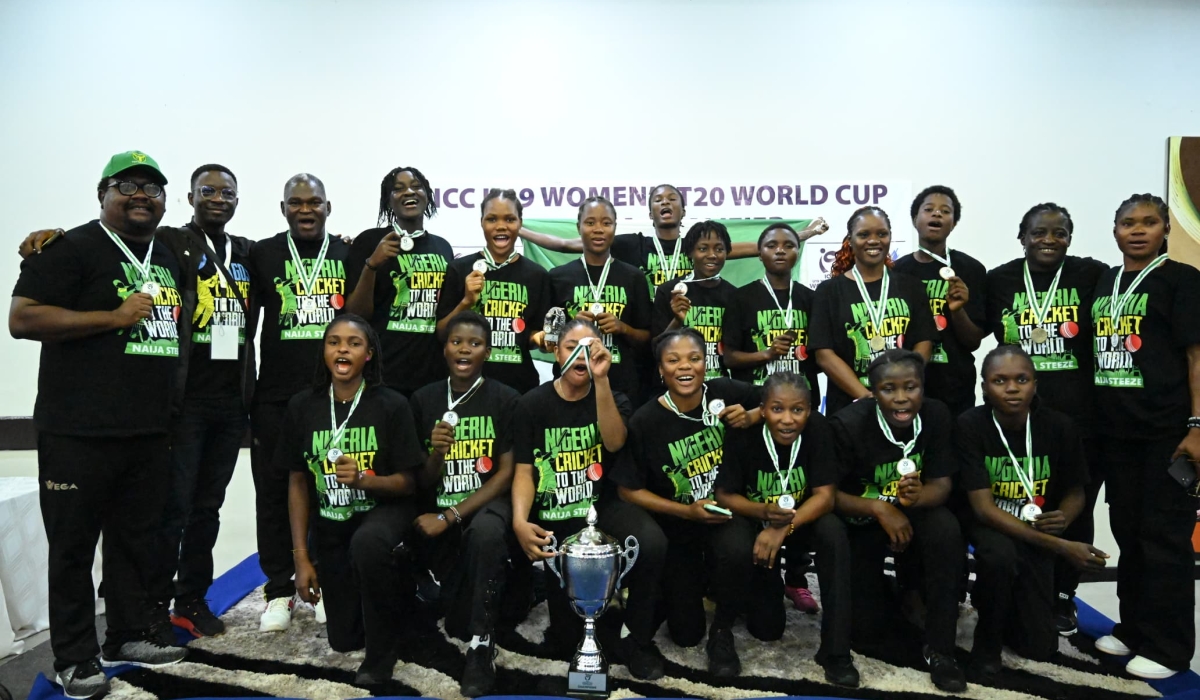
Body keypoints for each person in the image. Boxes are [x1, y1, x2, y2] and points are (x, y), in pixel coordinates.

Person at [9, 151, 189, 698]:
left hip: (147, 430)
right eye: (127, 185)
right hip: (78, 433)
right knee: (73, 549)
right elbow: (23, 318)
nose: (142, 195)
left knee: (135, 543)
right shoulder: (69, 248)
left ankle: (127, 635)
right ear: (101, 193)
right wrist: (111, 318)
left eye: (153, 188)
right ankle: (76, 657)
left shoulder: (169, 254)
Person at [511, 319, 668, 681]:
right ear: (555, 351)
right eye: (571, 347)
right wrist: (520, 520)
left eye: (590, 347)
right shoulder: (531, 404)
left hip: (603, 508)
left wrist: (601, 381)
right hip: (556, 512)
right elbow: (524, 471)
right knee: (567, 640)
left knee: (652, 542)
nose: (581, 354)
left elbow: (613, 442)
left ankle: (636, 637)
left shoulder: (615, 396)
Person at [983, 203, 1107, 635]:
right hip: (1014, 415)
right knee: (1016, 494)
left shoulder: (1093, 275)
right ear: (1022, 237)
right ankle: (1013, 582)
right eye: (1039, 233)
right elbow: (972, 331)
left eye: (1059, 232)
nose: (1049, 240)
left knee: (1076, 500)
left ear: (1071, 237)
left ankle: (1062, 595)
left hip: (1078, 416)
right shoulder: (999, 279)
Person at [1090, 194, 1200, 679]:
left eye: (1149, 222)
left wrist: (1197, 427)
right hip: (1117, 434)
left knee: (1165, 539)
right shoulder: (1105, 282)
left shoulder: (1182, 280)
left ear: (1165, 230)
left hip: (1166, 433)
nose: (1138, 230)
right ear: (1114, 230)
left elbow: (1197, 357)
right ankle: (1134, 628)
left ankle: (1170, 648)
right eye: (1128, 223)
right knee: (1128, 534)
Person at [281, 314, 425, 685]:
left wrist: (365, 481)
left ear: (369, 355)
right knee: (343, 640)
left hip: (383, 516)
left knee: (368, 543)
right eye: (334, 342)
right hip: (331, 526)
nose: (342, 348)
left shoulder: (392, 404)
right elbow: (298, 481)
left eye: (354, 343)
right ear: (325, 352)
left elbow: (409, 483)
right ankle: (401, 605)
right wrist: (302, 557)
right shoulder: (302, 405)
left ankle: (381, 657)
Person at [956, 345, 1108, 682]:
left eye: (1021, 379)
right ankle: (986, 644)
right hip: (990, 524)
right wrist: (1062, 546)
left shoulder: (1059, 426)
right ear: (984, 387)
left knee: (1039, 647)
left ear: (1035, 384)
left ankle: (998, 601)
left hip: (1036, 525)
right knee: (999, 556)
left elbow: (1075, 490)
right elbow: (982, 508)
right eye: (1000, 380)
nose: (1012, 388)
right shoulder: (970, 425)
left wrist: (1066, 517)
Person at [611, 328, 758, 674]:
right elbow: (627, 490)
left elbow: (788, 397)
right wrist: (686, 511)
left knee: (765, 618)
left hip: (728, 514)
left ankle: (722, 630)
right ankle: (678, 589)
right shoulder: (645, 420)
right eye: (673, 360)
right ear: (660, 370)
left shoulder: (725, 391)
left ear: (706, 363)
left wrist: (755, 415)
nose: (685, 367)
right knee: (686, 634)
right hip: (679, 524)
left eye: (694, 358)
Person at [249, 173, 352, 632]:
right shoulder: (262, 254)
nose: (306, 209)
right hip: (274, 398)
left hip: (333, 399)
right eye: (296, 202)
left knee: (329, 493)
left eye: (314, 202)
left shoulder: (349, 255)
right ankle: (278, 590)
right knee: (273, 495)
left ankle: (327, 582)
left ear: (329, 208)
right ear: (283, 208)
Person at [831, 350, 966, 693]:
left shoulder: (936, 415)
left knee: (946, 529)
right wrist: (879, 508)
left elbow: (942, 484)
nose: (902, 397)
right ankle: (900, 594)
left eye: (911, 387)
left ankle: (941, 649)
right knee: (866, 633)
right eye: (890, 389)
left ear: (923, 387)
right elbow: (828, 495)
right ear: (873, 392)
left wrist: (916, 499)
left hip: (914, 512)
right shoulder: (848, 424)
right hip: (861, 518)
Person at [158, 165, 255, 638]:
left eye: (227, 192)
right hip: (186, 403)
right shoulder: (170, 242)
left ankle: (191, 599)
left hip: (230, 403)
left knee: (207, 508)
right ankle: (153, 603)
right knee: (172, 508)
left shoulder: (247, 252)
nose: (218, 198)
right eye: (208, 191)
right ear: (190, 196)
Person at [712, 372, 858, 686]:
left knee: (833, 532)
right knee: (767, 629)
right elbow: (724, 495)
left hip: (795, 521)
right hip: (752, 520)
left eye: (798, 410)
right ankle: (720, 631)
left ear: (811, 409)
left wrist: (782, 529)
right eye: (777, 409)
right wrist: (762, 512)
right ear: (762, 409)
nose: (788, 420)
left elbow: (825, 496)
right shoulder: (745, 433)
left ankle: (836, 650)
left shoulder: (818, 429)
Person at [410, 311, 523, 696]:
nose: (464, 349)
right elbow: (421, 481)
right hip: (438, 510)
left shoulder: (506, 399)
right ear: (445, 348)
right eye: (457, 341)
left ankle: (481, 643)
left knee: (488, 531)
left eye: (474, 344)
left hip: (485, 507)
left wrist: (453, 514)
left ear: (487, 352)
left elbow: (506, 473)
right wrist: (437, 454)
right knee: (450, 616)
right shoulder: (423, 399)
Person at [518, 183, 830, 295]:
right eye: (658, 200)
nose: (665, 203)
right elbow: (565, 245)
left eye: (672, 199)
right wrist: (517, 229)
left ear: (683, 210)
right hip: (650, 328)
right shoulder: (632, 244)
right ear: (650, 212)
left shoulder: (699, 245)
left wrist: (803, 235)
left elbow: (758, 249)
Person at [810, 207, 938, 415]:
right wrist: (866, 397)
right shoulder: (829, 291)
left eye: (882, 234)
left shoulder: (910, 286)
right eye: (863, 234)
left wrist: (902, 389)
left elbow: (924, 341)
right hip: (850, 407)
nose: (873, 240)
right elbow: (824, 354)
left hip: (902, 404)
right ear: (850, 240)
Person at [346, 166, 455, 395]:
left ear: (428, 196)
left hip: (432, 376)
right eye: (398, 189)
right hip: (384, 375)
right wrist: (372, 264)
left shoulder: (443, 247)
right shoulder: (369, 241)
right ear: (388, 200)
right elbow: (356, 315)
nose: (409, 192)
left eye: (417, 187)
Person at [435, 189, 552, 394]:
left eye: (509, 219)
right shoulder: (459, 269)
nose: (500, 226)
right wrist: (466, 301)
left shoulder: (537, 276)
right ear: (481, 222)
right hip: (465, 387)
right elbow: (441, 332)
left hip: (519, 387)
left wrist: (540, 339)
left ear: (520, 223)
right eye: (491, 219)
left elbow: (533, 336)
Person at [546, 197, 652, 403]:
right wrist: (571, 326)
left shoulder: (633, 277)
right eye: (590, 222)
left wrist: (623, 328)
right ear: (579, 227)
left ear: (614, 227)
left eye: (606, 223)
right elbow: (547, 342)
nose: (598, 229)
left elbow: (647, 338)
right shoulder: (558, 277)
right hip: (570, 386)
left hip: (621, 386)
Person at [893, 185, 987, 415]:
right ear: (915, 219)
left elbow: (973, 341)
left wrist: (957, 311)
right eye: (929, 209)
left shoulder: (970, 269)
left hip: (954, 387)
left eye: (945, 211)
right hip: (905, 388)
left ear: (953, 223)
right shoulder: (897, 272)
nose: (936, 214)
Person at [722, 222, 822, 397]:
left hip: (802, 400)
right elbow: (730, 358)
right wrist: (767, 354)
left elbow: (822, 358)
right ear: (759, 254)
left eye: (789, 246)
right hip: (754, 400)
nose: (780, 250)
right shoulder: (740, 298)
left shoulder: (812, 299)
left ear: (798, 253)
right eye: (771, 245)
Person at [650, 221, 738, 380]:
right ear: (690, 252)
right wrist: (677, 320)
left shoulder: (734, 296)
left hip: (720, 386)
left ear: (727, 252)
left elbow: (736, 352)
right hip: (679, 382)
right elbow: (655, 347)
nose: (712, 255)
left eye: (719, 249)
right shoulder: (669, 291)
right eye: (703, 249)